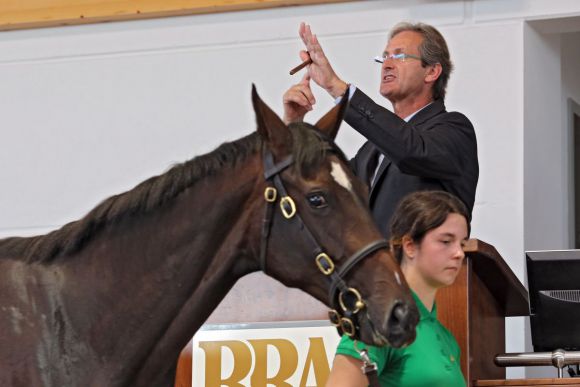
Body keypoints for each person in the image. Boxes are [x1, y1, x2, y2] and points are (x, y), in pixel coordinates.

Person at [283, 22, 479, 238]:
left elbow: (410, 151)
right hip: (378, 270)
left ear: (432, 71)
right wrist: (294, 125)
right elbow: (322, 187)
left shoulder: (455, 130)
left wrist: (335, 87)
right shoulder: (372, 149)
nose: (386, 65)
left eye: (399, 57)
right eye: (384, 57)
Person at [325, 190, 469, 387]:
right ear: (409, 245)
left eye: (462, 243)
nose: (459, 253)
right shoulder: (378, 323)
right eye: (446, 241)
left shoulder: (447, 339)